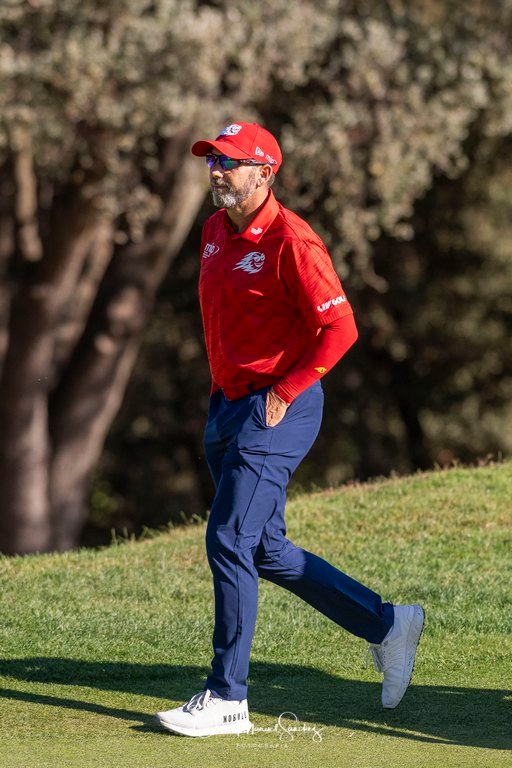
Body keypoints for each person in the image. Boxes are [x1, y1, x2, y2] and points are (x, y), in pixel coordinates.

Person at [155, 122, 424, 737]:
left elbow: (341, 329)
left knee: (228, 538)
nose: (217, 170)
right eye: (212, 160)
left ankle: (227, 698)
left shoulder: (293, 240)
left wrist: (282, 392)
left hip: (279, 405)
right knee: (262, 549)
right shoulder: (213, 231)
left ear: (264, 173)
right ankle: (387, 624)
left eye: (230, 162)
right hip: (228, 404)